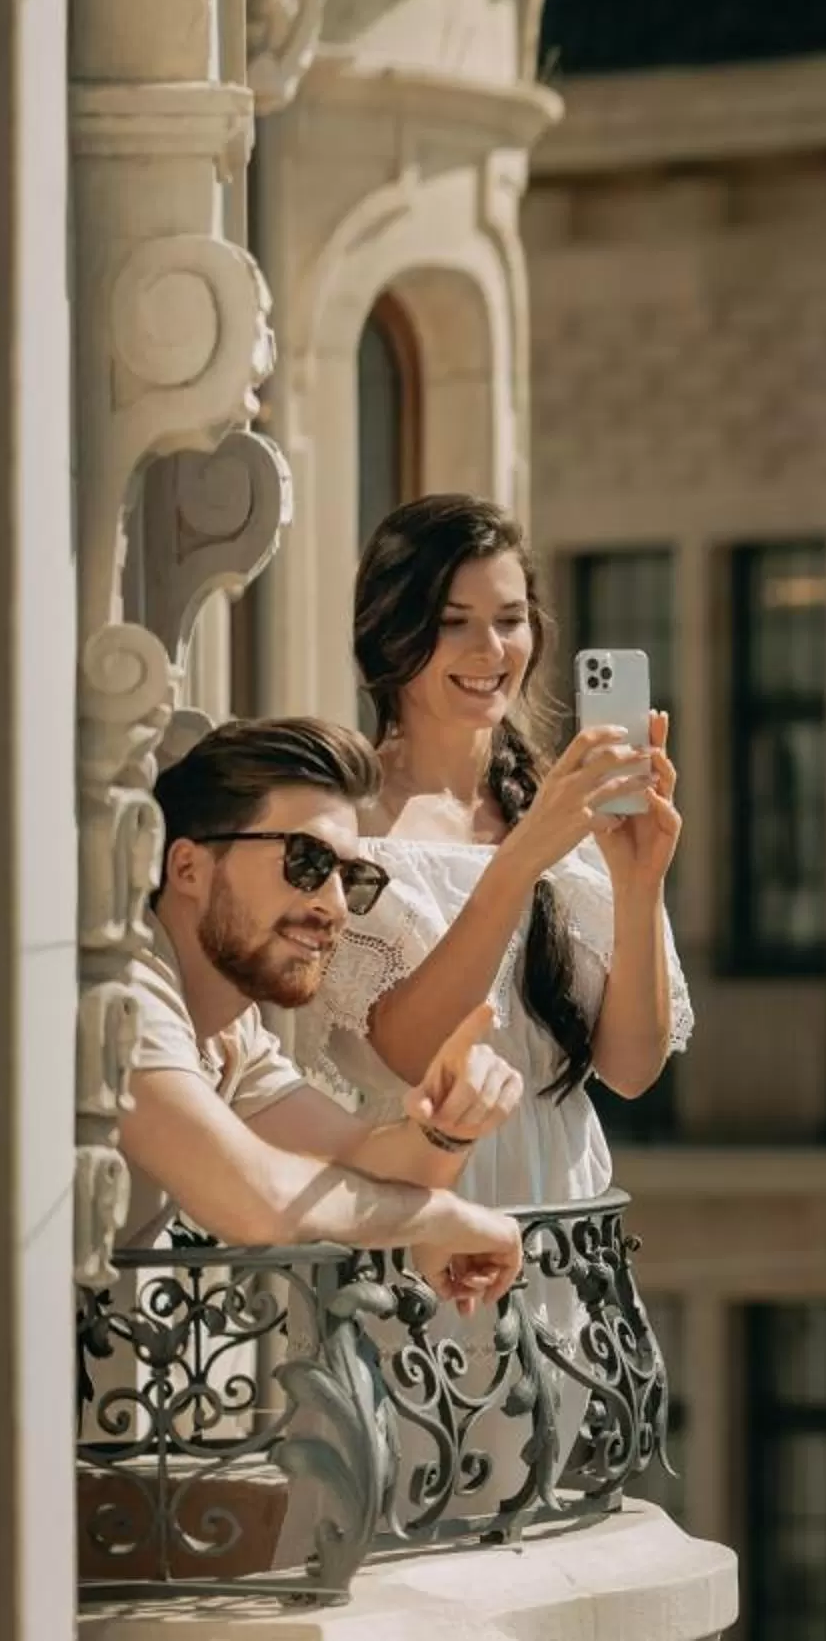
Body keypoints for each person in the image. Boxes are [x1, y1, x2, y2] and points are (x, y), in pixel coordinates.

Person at [310, 492, 692, 1209]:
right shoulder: (342, 820)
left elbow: (632, 1068)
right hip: (412, 1233)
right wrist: (521, 860)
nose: (490, 652)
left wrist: (640, 885)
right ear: (390, 634)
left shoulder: (565, 808)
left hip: (561, 1240)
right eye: (453, 623)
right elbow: (410, 1056)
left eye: (509, 620)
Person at [117, 717, 525, 1310]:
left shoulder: (231, 1032)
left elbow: (364, 1159)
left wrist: (448, 1125)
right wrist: (440, 1218)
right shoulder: (128, 993)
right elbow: (257, 1200)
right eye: (305, 862)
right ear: (188, 870)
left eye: (351, 876)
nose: (334, 906)